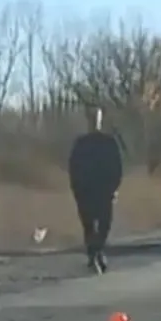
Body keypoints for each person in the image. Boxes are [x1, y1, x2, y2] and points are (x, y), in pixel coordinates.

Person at [67, 105, 123, 273]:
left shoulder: (108, 142)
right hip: (85, 191)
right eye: (91, 118)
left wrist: (114, 188)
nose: (94, 121)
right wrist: (76, 189)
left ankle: (97, 251)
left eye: (96, 117)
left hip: (104, 190)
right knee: (89, 226)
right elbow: (73, 167)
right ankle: (93, 255)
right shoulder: (81, 143)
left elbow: (117, 166)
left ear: (101, 119)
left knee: (105, 224)